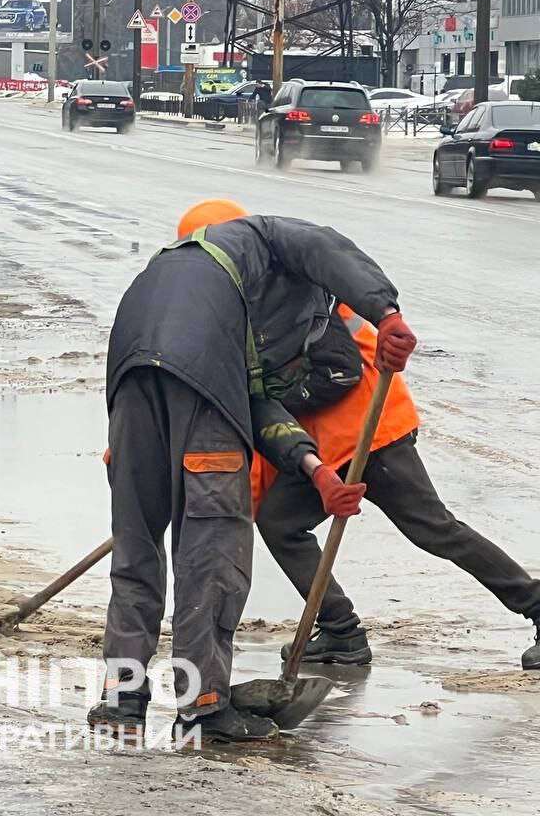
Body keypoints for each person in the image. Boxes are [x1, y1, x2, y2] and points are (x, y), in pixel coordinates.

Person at [87, 198, 416, 743]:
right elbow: (324, 245)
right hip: (191, 381)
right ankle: (204, 708)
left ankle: (121, 702)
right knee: (212, 547)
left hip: (129, 373)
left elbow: (253, 401)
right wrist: (386, 313)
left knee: (136, 545)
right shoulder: (264, 237)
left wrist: (316, 472)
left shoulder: (187, 287)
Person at [252, 304, 540, 672]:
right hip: (327, 444)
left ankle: (535, 603)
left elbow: (341, 371)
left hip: (371, 432)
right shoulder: (257, 289)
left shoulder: (286, 287)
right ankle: (341, 631)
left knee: (434, 529)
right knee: (280, 523)